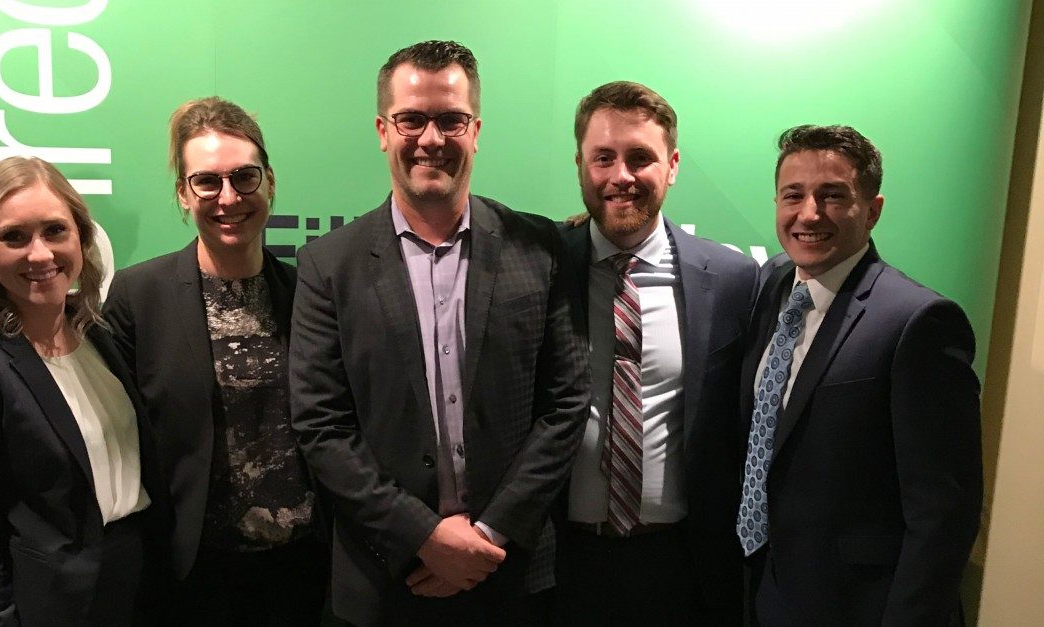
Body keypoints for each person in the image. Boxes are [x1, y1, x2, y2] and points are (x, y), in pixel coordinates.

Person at [287, 40, 590, 627]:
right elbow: (321, 426)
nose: (431, 138)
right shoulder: (328, 265)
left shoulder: (541, 248)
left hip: (510, 572)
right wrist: (424, 536)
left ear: (475, 130)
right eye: (411, 119)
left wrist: (489, 535)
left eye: (451, 120)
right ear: (383, 129)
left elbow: (566, 404)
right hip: (384, 576)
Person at [740, 124, 982, 625]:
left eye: (833, 196)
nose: (809, 213)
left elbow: (942, 514)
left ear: (872, 210)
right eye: (794, 195)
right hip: (761, 590)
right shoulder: (771, 285)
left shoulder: (921, 322)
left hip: (856, 606)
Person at [102, 97, 329, 625]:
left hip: (302, 568)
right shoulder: (139, 298)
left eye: (244, 177)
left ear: (269, 181)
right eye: (207, 181)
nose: (228, 197)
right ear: (184, 192)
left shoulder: (308, 294)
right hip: (191, 576)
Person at [0, 156, 164, 626]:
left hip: (138, 581)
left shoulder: (102, 338)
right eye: (14, 236)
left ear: (81, 238)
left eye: (55, 230)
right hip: (52, 604)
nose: (40, 254)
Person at [555, 81, 756, 625]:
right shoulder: (539, 265)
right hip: (560, 565)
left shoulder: (734, 280)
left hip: (681, 567)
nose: (622, 176)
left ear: (671, 165)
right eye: (604, 158)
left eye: (641, 157)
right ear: (580, 166)